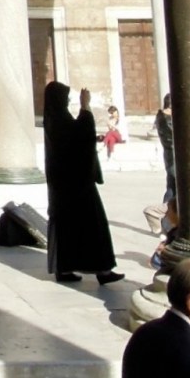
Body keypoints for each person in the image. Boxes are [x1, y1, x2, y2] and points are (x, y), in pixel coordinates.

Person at [42, 80, 124, 287]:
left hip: (64, 185)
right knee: (92, 226)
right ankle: (102, 270)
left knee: (69, 228)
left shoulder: (54, 118)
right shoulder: (59, 119)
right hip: (76, 185)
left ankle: (66, 267)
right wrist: (85, 106)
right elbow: (81, 136)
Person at [156, 93, 176, 204]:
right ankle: (166, 217)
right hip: (174, 156)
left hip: (168, 154)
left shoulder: (160, 116)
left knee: (171, 187)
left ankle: (166, 216)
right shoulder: (167, 120)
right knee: (174, 189)